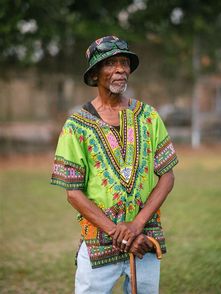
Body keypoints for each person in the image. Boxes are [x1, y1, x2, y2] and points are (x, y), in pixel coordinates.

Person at [51, 35, 178, 294]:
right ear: (95, 74)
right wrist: (117, 232)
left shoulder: (149, 116)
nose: (120, 69)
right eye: (110, 63)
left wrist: (136, 225)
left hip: (145, 240)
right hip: (98, 242)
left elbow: (167, 177)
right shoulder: (77, 125)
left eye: (124, 62)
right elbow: (73, 193)